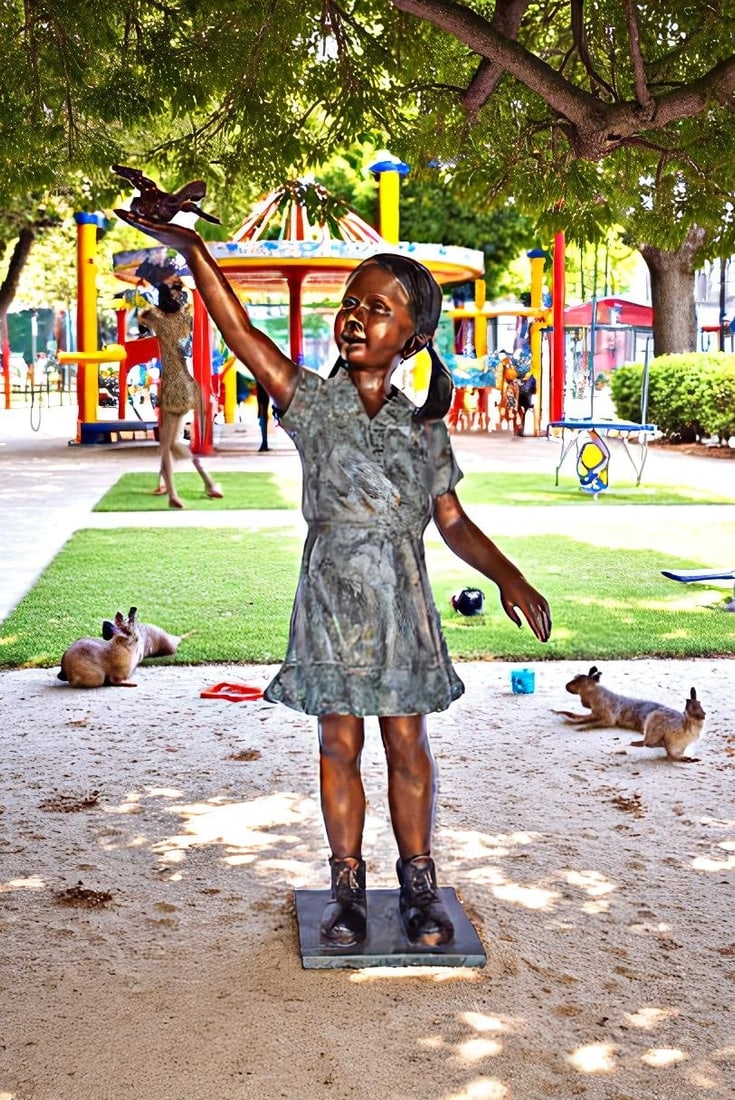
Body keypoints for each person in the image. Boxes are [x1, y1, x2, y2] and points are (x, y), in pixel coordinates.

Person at [115, 190, 552, 948]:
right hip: (329, 600)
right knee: (337, 743)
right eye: (351, 303)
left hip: (401, 607)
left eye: (378, 307)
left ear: (412, 337)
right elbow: (241, 331)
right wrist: (190, 250)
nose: (355, 315)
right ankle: (345, 888)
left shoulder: (424, 430)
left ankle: (418, 888)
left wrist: (509, 573)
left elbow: (451, 521)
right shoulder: (311, 405)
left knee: (407, 743)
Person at [137, 276, 223, 508]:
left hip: (171, 385)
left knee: (166, 445)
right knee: (170, 443)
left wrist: (153, 288)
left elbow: (142, 316)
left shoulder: (159, 320)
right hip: (187, 382)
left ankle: (182, 490)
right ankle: (205, 483)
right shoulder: (186, 320)